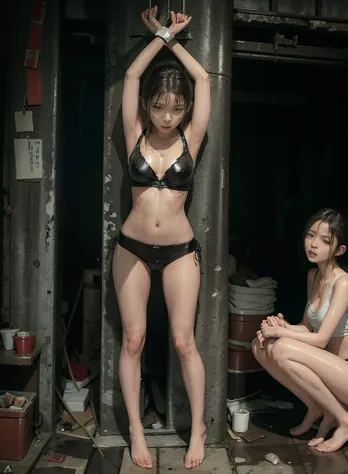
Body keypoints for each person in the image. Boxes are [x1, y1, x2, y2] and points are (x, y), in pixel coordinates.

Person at [112, 6, 210, 470]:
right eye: (158, 106)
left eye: (175, 108)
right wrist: (162, 34)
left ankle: (199, 429)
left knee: (183, 341)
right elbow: (132, 73)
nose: (166, 116)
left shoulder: (192, 136)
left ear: (185, 109)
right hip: (130, 248)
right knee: (133, 340)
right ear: (147, 105)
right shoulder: (134, 133)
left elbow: (204, 80)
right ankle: (136, 429)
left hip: (179, 252)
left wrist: (172, 40)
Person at [252, 209, 348, 453]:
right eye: (310, 235)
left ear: (339, 250)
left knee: (280, 347)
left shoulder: (343, 282)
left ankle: (346, 422)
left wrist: (281, 335)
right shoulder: (313, 276)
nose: (313, 244)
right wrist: (281, 326)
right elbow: (306, 327)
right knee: (260, 347)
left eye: (325, 241)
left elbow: (321, 339)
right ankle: (317, 408)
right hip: (334, 372)